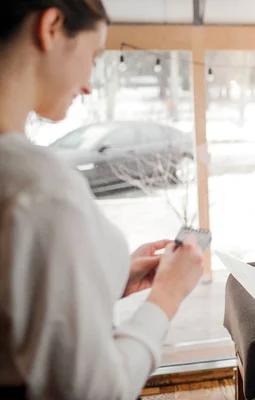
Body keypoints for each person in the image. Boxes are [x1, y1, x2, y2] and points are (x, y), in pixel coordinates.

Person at [0, 1, 205, 399]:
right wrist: (166, 296)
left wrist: (111, 276)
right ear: (53, 26)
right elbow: (93, 389)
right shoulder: (38, 185)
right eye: (94, 55)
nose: (90, 84)